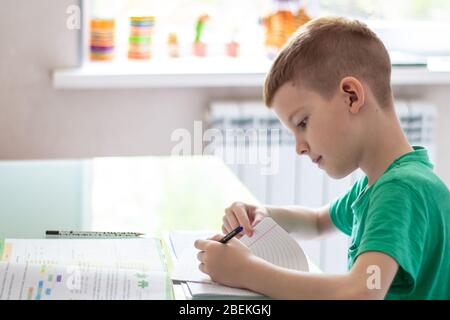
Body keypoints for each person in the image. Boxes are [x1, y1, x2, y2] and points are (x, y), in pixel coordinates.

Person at [194, 16, 450, 299]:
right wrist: (264, 215)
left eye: (302, 123)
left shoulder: (400, 190)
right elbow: (317, 221)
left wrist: (246, 271)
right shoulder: (380, 184)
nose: (299, 147)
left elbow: (363, 291)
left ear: (351, 96)